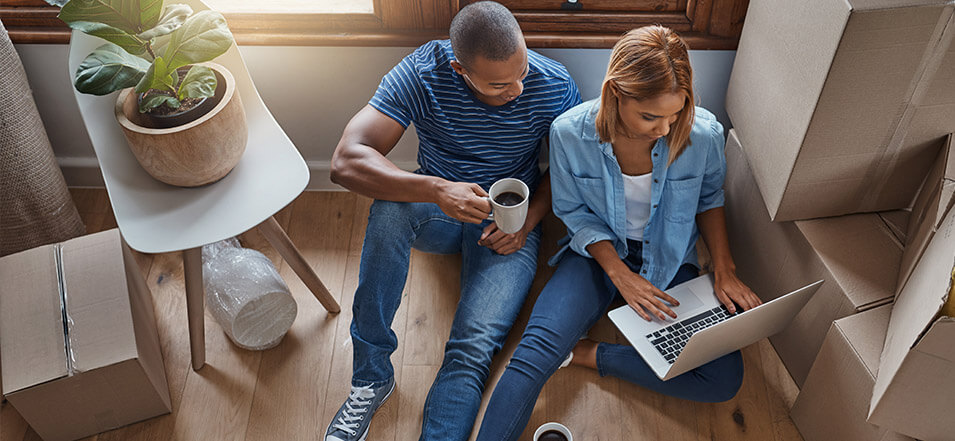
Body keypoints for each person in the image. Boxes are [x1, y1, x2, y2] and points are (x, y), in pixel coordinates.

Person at [474, 26, 762, 440]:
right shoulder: (569, 133)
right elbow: (572, 211)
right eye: (650, 117)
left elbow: (709, 199)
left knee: (722, 378)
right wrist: (620, 275)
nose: (664, 129)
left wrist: (724, 268)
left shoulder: (703, 135)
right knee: (533, 353)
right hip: (596, 253)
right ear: (615, 94)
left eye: (675, 113)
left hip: (669, 259)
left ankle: (589, 355)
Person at [324, 2, 581, 440]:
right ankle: (371, 378)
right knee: (389, 208)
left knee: (471, 349)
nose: (518, 89)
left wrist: (529, 219)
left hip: (506, 226)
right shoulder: (423, 72)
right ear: (461, 69)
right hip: (437, 212)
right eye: (500, 83)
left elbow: (567, 166)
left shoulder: (553, 84)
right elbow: (345, 161)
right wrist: (436, 190)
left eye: (522, 71)